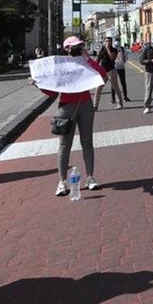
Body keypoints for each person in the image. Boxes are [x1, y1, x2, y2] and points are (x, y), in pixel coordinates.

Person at [31, 36, 106, 194]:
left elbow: (103, 76)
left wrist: (88, 60)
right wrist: (38, 84)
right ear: (67, 49)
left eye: (80, 46)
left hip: (85, 105)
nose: (78, 48)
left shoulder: (85, 63)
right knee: (65, 145)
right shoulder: (60, 65)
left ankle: (90, 177)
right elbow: (52, 92)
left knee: (87, 142)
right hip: (66, 107)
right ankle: (62, 181)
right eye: (75, 46)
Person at [93, 37, 124, 109]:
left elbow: (111, 58)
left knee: (115, 87)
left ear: (111, 42)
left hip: (111, 70)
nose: (108, 42)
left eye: (109, 41)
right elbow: (98, 60)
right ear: (104, 42)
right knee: (98, 88)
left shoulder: (114, 50)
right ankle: (95, 106)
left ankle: (120, 103)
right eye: (106, 41)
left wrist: (107, 49)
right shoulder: (102, 49)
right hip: (103, 71)